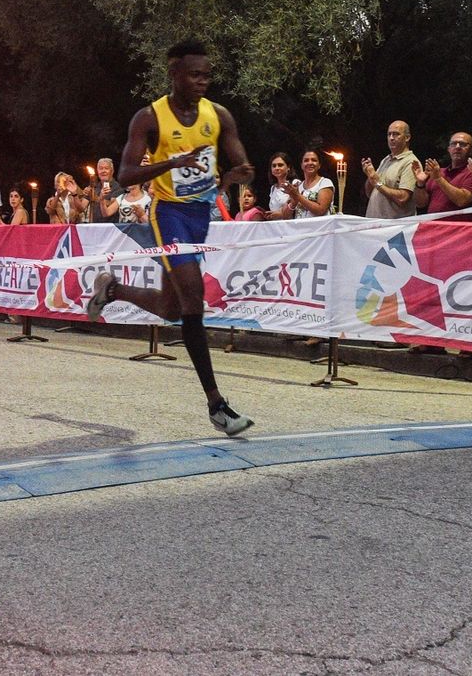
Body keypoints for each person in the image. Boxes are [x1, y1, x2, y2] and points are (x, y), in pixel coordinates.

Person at [86, 40, 255, 435]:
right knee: (194, 297)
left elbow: (242, 165)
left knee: (170, 308)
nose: (203, 82)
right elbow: (125, 176)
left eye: (207, 75)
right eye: (195, 74)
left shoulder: (219, 116)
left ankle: (113, 291)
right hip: (170, 215)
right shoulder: (150, 119)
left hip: (202, 215)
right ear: (175, 74)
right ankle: (217, 406)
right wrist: (173, 162)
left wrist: (235, 175)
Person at [414, 132, 472, 221]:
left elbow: (462, 200)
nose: (457, 147)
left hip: (459, 232)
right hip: (433, 229)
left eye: (462, 144)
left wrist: (439, 179)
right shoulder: (439, 172)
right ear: (449, 149)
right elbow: (421, 204)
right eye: (453, 144)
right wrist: (420, 183)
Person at [363, 120, 419, 220]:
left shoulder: (411, 162)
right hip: (374, 225)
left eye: (396, 134)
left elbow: (403, 198)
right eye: (389, 134)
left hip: (394, 229)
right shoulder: (386, 160)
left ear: (407, 137)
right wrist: (370, 176)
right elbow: (369, 193)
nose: (391, 138)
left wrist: (377, 183)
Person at [281, 148, 335, 218]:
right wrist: (293, 202)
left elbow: (321, 210)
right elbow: (285, 216)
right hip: (300, 228)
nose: (310, 163)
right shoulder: (297, 187)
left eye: (314, 160)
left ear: (319, 165)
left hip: (320, 228)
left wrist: (298, 196)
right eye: (306, 160)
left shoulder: (325, 183)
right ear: (301, 165)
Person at [262, 152, 300, 220]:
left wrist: (280, 214)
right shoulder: (273, 188)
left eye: (280, 165)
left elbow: (297, 207)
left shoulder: (295, 183)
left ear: (288, 167)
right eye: (274, 166)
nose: (276, 168)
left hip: (290, 226)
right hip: (276, 227)